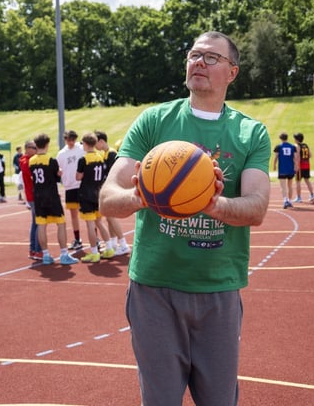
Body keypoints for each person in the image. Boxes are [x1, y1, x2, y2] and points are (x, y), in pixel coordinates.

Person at [99, 31, 271, 405]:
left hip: (218, 287)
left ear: (232, 72)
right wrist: (141, 196)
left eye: (212, 58)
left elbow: (257, 207)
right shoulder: (153, 122)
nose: (199, 62)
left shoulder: (250, 132)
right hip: (154, 288)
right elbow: (108, 199)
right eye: (194, 55)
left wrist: (212, 204)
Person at [30, 133, 79, 265]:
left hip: (38, 196)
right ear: (47, 145)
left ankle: (45, 254)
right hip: (51, 195)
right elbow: (56, 176)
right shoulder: (51, 160)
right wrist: (59, 173)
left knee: (41, 225)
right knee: (61, 223)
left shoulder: (31, 161)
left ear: (36, 145)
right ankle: (64, 254)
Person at [75, 133, 111, 263]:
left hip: (86, 194)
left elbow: (78, 177)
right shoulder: (100, 157)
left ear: (85, 143)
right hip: (98, 192)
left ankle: (95, 252)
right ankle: (110, 247)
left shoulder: (83, 159)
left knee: (90, 224)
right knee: (99, 222)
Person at [95, 131, 131, 256]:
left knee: (111, 216)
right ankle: (114, 244)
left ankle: (124, 244)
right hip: (107, 188)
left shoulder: (111, 154)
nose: (95, 146)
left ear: (101, 141)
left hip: (112, 189)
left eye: (96, 143)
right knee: (108, 216)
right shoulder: (105, 154)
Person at [57, 130, 85, 250]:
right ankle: (77, 239)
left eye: (73, 139)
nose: (71, 141)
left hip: (83, 186)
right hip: (70, 187)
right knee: (74, 215)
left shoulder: (81, 148)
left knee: (89, 214)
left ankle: (96, 239)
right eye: (69, 139)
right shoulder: (61, 154)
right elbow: (58, 170)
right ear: (65, 139)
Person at [20, 141, 42, 261]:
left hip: (32, 195)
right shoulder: (26, 161)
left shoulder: (27, 160)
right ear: (28, 149)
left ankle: (33, 249)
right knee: (38, 223)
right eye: (35, 148)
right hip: (34, 195)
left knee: (35, 223)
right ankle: (37, 250)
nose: (37, 150)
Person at [273, 132, 299, 209]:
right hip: (290, 168)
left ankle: (285, 200)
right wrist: (296, 166)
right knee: (290, 186)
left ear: (280, 138)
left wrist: (274, 165)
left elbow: (276, 157)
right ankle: (290, 201)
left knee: (283, 186)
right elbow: (295, 158)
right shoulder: (292, 146)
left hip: (282, 169)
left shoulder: (278, 147)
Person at [293, 132, 314, 203]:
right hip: (307, 165)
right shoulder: (306, 145)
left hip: (300, 166)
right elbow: (310, 155)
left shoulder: (297, 146)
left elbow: (297, 157)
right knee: (307, 180)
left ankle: (299, 197)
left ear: (296, 139)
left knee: (297, 182)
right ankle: (312, 195)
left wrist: (296, 166)